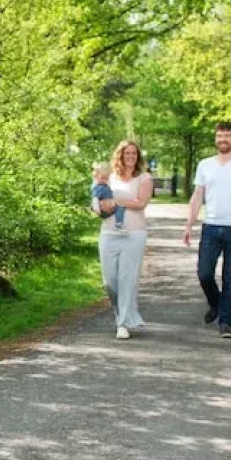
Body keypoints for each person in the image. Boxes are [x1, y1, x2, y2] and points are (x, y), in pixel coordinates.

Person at [182, 121, 231, 339]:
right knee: (204, 273)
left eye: (227, 136)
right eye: (219, 136)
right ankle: (216, 304)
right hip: (211, 226)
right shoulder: (205, 165)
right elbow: (197, 195)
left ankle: (225, 323)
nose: (222, 140)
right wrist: (189, 224)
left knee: (230, 276)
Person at [97, 140, 153, 341]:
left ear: (137, 157)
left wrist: (117, 201)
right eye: (127, 153)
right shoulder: (110, 178)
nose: (130, 156)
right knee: (109, 281)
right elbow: (100, 201)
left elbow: (140, 203)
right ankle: (122, 314)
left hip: (134, 235)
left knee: (127, 281)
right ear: (120, 155)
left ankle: (122, 323)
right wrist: (100, 207)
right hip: (109, 234)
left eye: (134, 153)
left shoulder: (144, 178)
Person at [91, 161, 126, 229]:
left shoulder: (106, 184)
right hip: (103, 208)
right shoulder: (98, 186)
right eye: (102, 178)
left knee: (120, 207)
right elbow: (95, 198)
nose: (105, 180)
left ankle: (119, 223)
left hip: (111, 206)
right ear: (96, 176)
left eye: (107, 178)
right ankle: (118, 222)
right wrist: (97, 209)